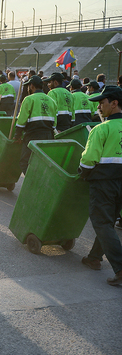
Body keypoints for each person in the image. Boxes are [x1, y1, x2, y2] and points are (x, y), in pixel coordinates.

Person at [79, 86, 122, 286]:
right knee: (108, 221)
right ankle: (94, 257)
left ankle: (120, 269)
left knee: (102, 222)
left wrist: (82, 174)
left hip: (104, 183)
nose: (99, 106)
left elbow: (88, 160)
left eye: (102, 102)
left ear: (114, 103)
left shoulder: (101, 129)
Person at [14, 75, 57, 174]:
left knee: (25, 162)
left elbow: (21, 121)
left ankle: (33, 184)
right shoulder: (51, 100)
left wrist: (17, 136)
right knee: (42, 162)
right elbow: (54, 124)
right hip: (48, 136)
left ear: (32, 86)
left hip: (33, 136)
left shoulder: (29, 99)